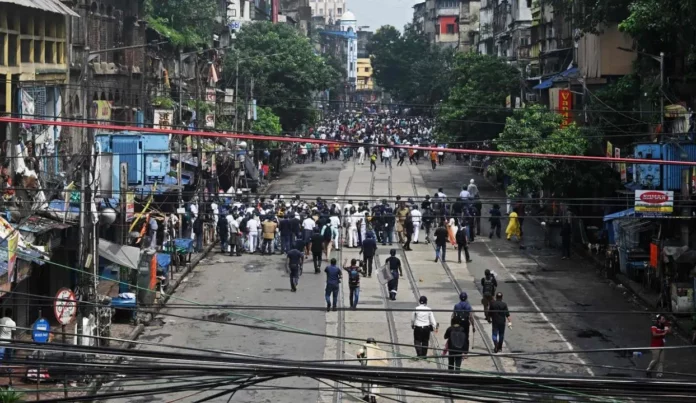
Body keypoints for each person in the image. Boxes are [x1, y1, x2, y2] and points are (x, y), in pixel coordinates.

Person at [357, 338, 388, 403]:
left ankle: (367, 396)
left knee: (366, 381)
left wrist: (360, 358)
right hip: (375, 367)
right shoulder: (377, 348)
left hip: (366, 367)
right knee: (374, 382)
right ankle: (373, 396)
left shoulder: (365, 347)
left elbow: (359, 354)